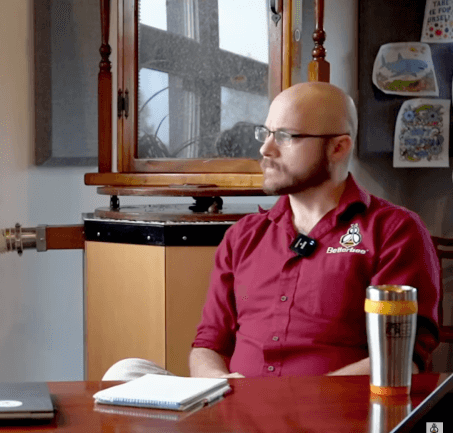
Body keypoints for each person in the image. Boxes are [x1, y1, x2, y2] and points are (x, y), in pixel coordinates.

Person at [102, 82, 440, 381]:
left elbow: (401, 358)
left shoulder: (394, 231)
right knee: (125, 372)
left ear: (338, 147)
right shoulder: (243, 236)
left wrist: (284, 398)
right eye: (264, 133)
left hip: (332, 421)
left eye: (285, 136)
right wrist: (220, 384)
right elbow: (208, 344)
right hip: (237, 415)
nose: (266, 149)